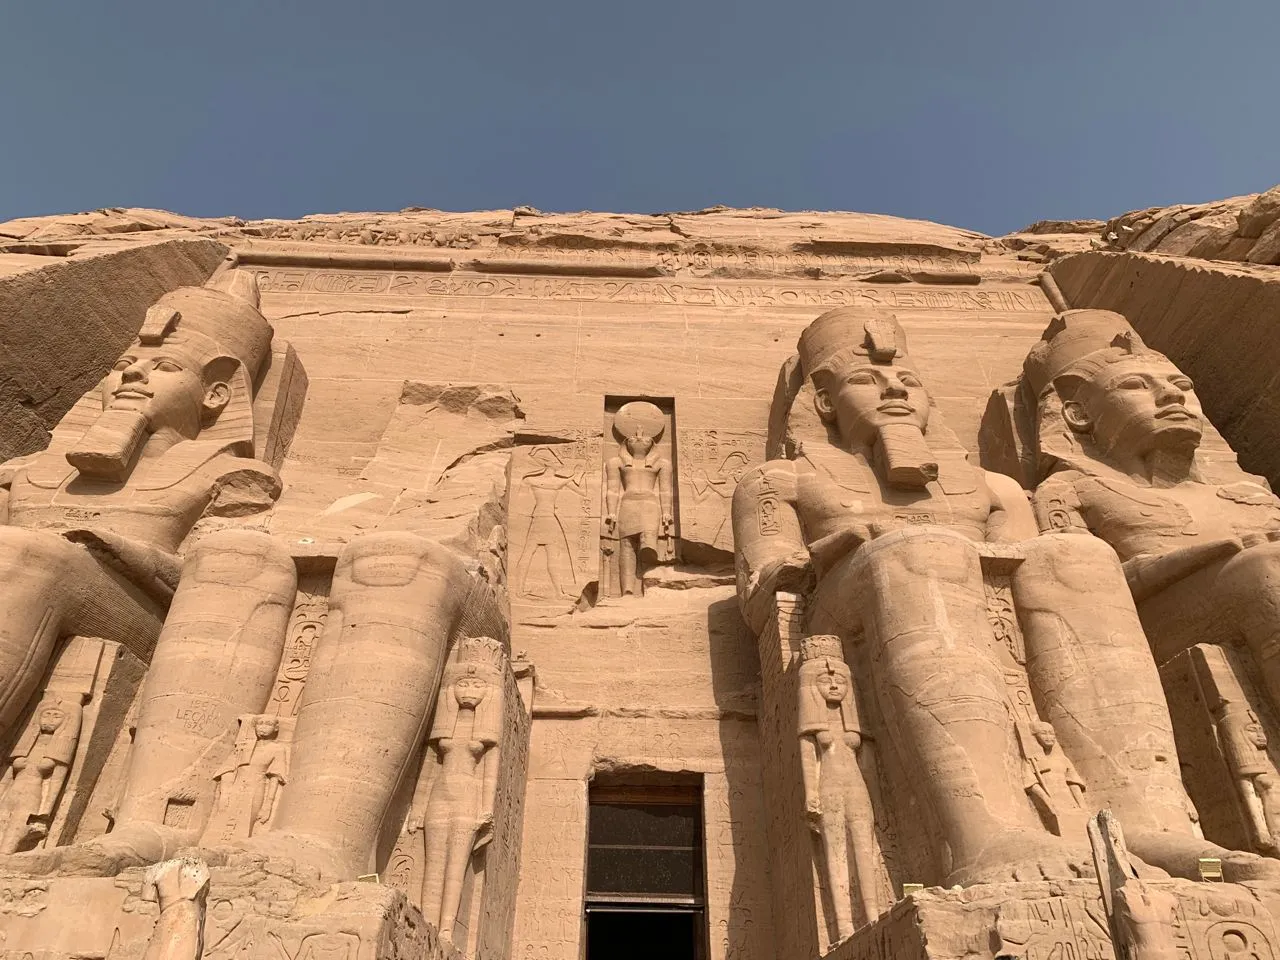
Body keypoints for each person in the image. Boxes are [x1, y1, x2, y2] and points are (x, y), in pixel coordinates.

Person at [733, 307, 1278, 885]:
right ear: (823, 402)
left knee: (1079, 559)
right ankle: (980, 833)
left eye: (909, 382)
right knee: (924, 551)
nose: (895, 390)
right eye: (868, 381)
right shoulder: (779, 481)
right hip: (852, 607)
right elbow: (762, 584)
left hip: (962, 595)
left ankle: (1148, 821)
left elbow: (1024, 556)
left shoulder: (990, 487)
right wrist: (844, 542)